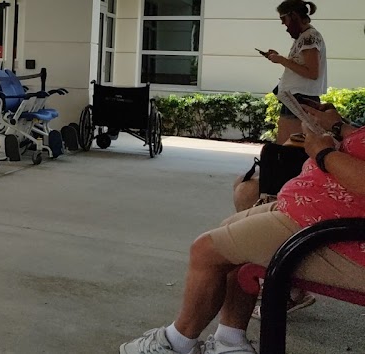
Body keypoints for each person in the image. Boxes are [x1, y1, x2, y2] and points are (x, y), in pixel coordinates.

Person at [119, 104, 365, 354]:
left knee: (205, 250)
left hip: (337, 232)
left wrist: (324, 153)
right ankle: (230, 342)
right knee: (230, 233)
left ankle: (175, 343)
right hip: (319, 213)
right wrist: (339, 127)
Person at [262, 0, 327, 144]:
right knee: (286, 145)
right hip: (295, 97)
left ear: (294, 16)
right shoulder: (305, 37)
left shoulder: (309, 37)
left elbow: (312, 73)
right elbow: (301, 67)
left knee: (289, 147)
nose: (283, 24)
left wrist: (282, 60)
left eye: (283, 19)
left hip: (300, 98)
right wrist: (280, 58)